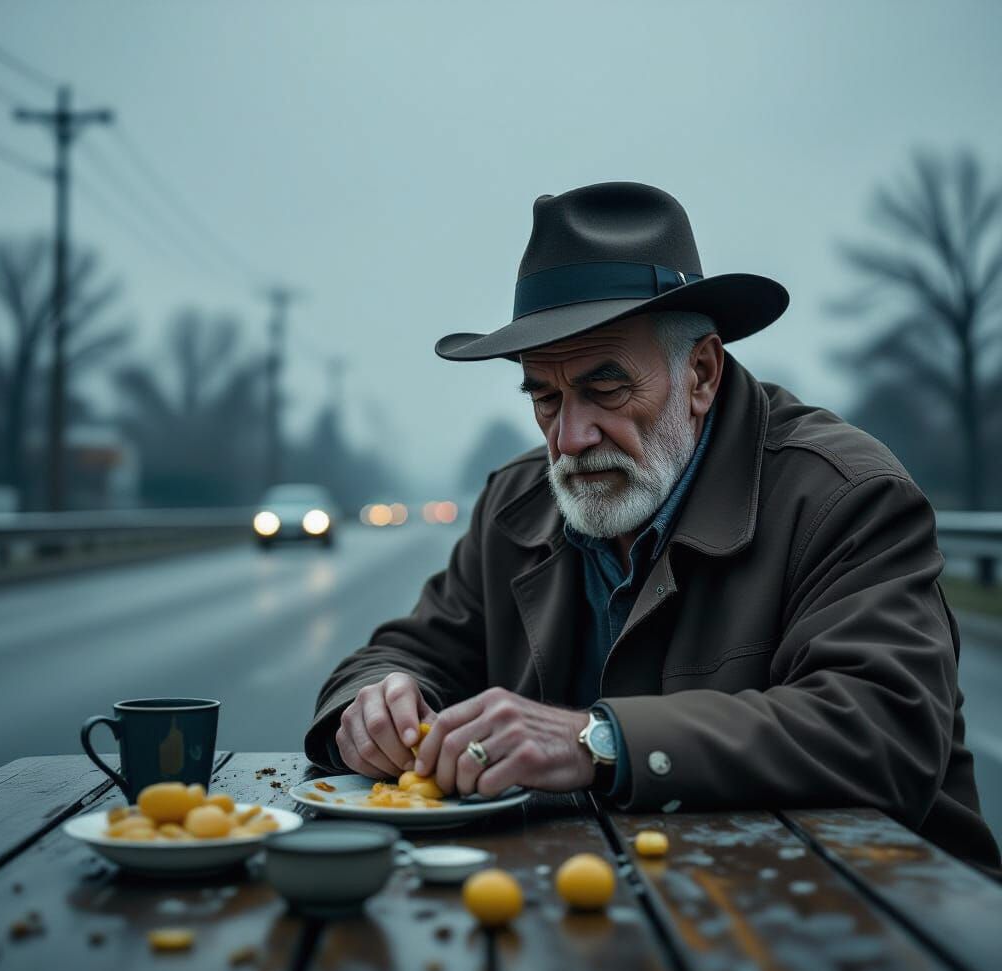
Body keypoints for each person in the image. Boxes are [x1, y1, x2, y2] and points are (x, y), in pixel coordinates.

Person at [304, 182, 1001, 878]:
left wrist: (597, 742)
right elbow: (404, 652)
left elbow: (883, 728)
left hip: (885, 925)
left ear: (700, 373)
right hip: (613, 910)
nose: (570, 438)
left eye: (605, 390)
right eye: (545, 398)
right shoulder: (516, 504)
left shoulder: (844, 495)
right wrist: (374, 703)